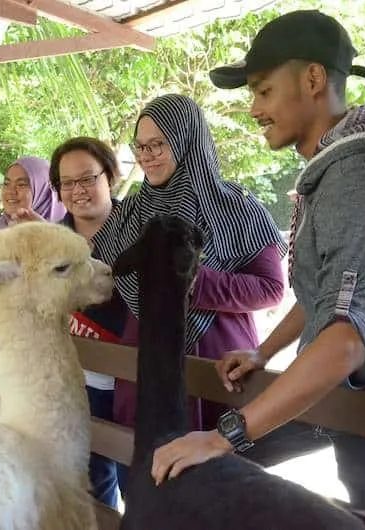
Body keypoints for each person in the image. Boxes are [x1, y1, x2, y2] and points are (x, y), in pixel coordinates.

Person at [151, 10, 365, 512]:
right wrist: (266, 351)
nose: (255, 109)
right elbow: (325, 290)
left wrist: (224, 436)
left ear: (314, 79)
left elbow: (346, 338)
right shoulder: (331, 169)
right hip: (338, 397)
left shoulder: (353, 175)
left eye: (263, 91)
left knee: (217, 465)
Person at [91, 95, 286, 454]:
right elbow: (98, 270)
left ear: (186, 140)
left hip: (213, 366)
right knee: (143, 476)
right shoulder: (130, 211)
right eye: (140, 146)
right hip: (146, 362)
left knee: (214, 489)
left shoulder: (237, 208)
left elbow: (271, 289)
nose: (146, 155)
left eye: (158, 144)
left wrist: (193, 283)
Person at [47, 137, 131, 511]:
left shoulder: (142, 228)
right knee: (91, 486)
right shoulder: (50, 243)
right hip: (76, 383)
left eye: (87, 179)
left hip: (134, 383)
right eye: (68, 183)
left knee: (141, 484)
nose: (78, 191)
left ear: (109, 177)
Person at [0, 156, 66, 384]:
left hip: (45, 359)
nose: (11, 191)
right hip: (1, 354)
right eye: (6, 183)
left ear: (43, 189)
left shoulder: (63, 235)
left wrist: (40, 234)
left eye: (23, 184)